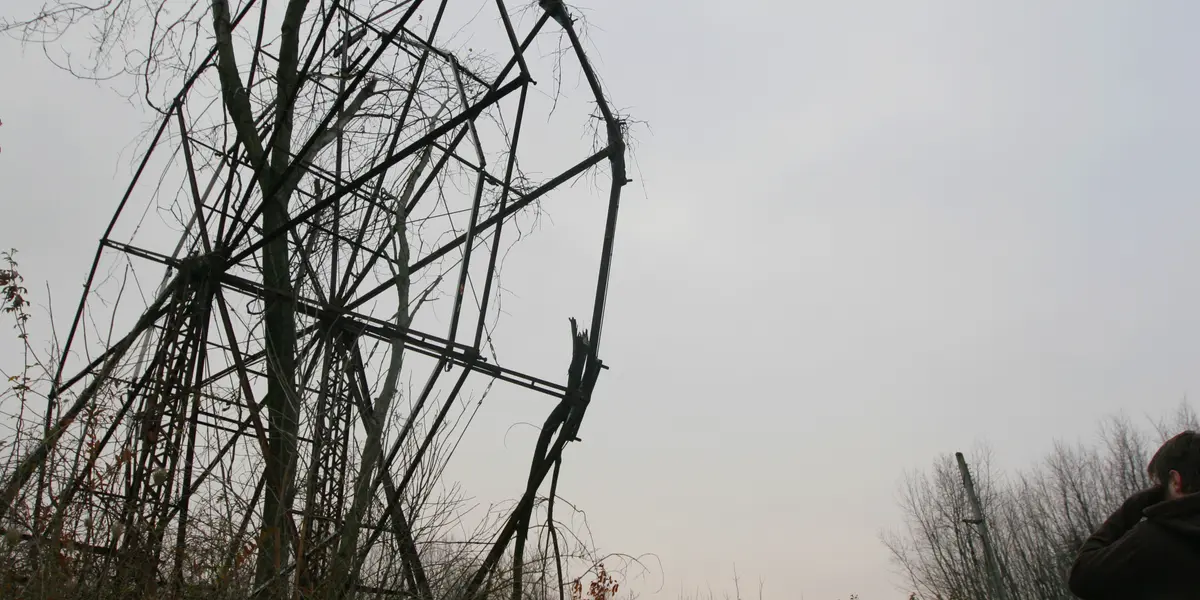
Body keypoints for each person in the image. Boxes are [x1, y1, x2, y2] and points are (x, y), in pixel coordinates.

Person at [1068, 430, 1200, 599]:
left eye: (1160, 485)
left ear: (1175, 481)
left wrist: (1132, 508)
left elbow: (1081, 576)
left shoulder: (1152, 539)